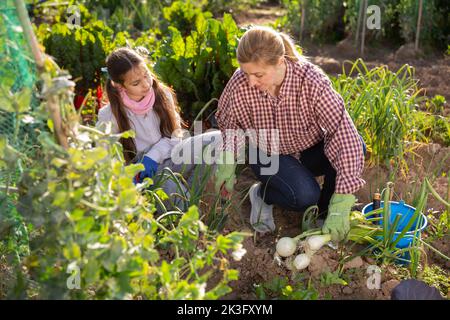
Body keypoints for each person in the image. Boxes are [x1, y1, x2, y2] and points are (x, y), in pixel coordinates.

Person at [214, 27, 366, 241]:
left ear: (280, 63)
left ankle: (324, 215)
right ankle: (261, 195)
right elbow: (231, 126)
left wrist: (342, 202)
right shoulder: (240, 84)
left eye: (258, 75)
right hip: (266, 153)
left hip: (307, 150)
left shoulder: (311, 81)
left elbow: (343, 134)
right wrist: (228, 161)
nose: (250, 82)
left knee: (356, 144)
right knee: (305, 195)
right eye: (246, 73)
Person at [96, 47, 220, 211]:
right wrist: (129, 175)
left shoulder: (162, 95)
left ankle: (190, 197)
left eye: (146, 75)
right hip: (144, 175)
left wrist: (153, 157)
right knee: (166, 181)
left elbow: (176, 137)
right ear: (119, 86)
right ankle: (182, 210)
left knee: (218, 139)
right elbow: (104, 157)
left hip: (170, 158)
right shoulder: (110, 115)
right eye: (136, 83)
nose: (146, 84)